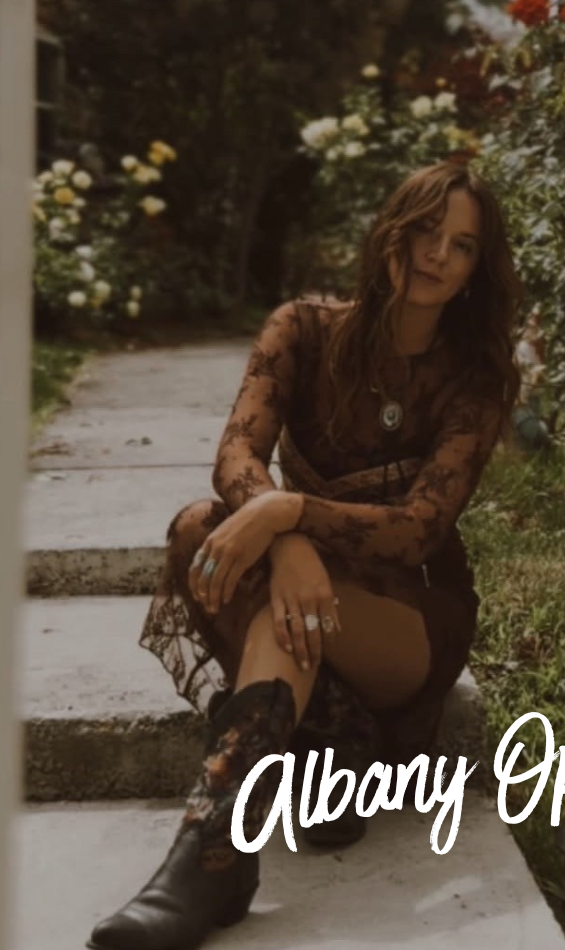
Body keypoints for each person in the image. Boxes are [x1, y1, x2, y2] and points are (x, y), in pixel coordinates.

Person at [87, 161, 523, 950]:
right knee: (196, 528)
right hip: (311, 590)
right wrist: (283, 539)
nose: (436, 255)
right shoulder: (302, 328)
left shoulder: (476, 380)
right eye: (427, 229)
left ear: (473, 273)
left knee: (247, 565)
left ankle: (209, 850)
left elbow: (421, 527)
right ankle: (317, 749)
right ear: (392, 228)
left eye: (461, 246)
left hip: (407, 617)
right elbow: (235, 456)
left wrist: (292, 511)